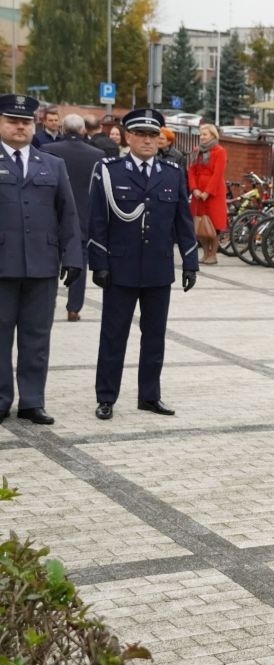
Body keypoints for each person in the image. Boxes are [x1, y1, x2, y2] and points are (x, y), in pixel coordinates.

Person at [88, 109, 198, 421]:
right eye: (141, 135)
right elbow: (97, 220)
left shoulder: (172, 173)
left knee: (154, 337)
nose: (149, 140)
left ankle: (149, 396)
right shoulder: (110, 171)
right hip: (120, 269)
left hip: (158, 269)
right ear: (128, 137)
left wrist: (190, 262)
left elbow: (183, 221)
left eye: (153, 135)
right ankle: (106, 397)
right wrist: (99, 263)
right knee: (113, 337)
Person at [0, 94, 82, 426]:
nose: (20, 127)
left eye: (25, 122)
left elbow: (68, 214)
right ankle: (1, 398)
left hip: (42, 265)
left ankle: (32, 401)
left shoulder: (52, 164)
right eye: (12, 121)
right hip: (2, 266)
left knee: (36, 338)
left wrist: (73, 257)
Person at [41, 113, 104, 322]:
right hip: (83, 216)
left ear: (63, 129)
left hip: (52, 215)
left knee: (50, 261)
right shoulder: (97, 154)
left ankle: (46, 304)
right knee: (79, 261)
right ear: (83, 130)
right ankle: (74, 308)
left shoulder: (47, 149)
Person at [187, 123, 227, 264]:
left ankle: (213, 254)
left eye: (205, 134)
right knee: (199, 224)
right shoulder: (197, 150)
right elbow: (191, 171)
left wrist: (207, 192)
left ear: (213, 135)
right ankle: (205, 253)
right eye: (201, 134)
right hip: (198, 192)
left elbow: (218, 174)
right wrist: (194, 189)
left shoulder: (220, 151)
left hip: (214, 193)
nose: (202, 137)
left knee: (213, 225)